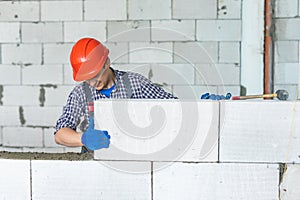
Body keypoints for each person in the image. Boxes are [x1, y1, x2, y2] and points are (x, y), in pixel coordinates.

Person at [54, 37, 177, 152]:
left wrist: (195, 106)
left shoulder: (135, 83)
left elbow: (172, 106)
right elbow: (60, 134)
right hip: (94, 164)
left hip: (133, 159)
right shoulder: (80, 94)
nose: (92, 83)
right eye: (87, 78)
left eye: (95, 75)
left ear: (106, 63)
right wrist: (83, 139)